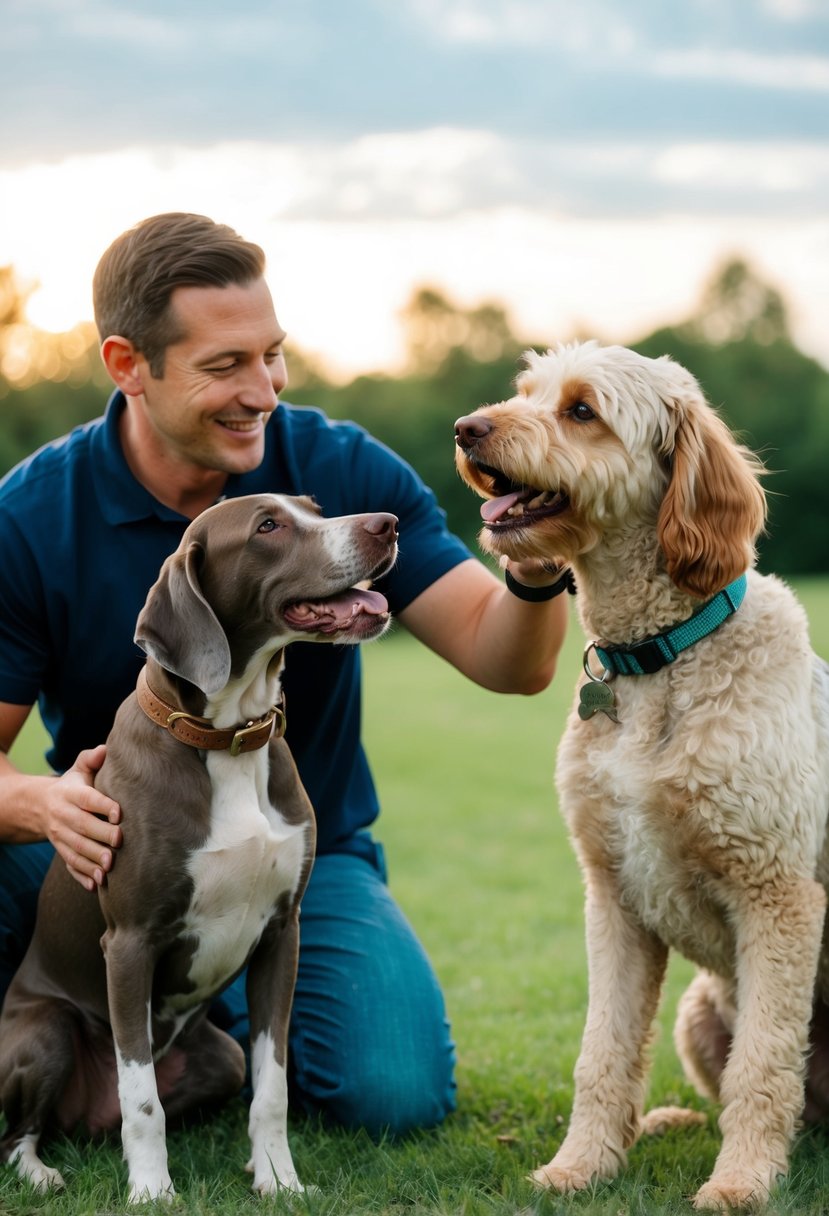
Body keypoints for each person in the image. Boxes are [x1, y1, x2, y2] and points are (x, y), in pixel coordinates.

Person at [0, 213, 568, 1137]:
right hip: (110, 856)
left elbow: (508, 661)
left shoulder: (334, 466)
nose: (261, 390)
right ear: (127, 365)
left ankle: (211, 1005)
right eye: (225, 365)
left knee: (391, 1091)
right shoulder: (32, 517)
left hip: (302, 856)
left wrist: (536, 564)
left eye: (273, 355)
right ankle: (95, 1027)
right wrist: (39, 807)